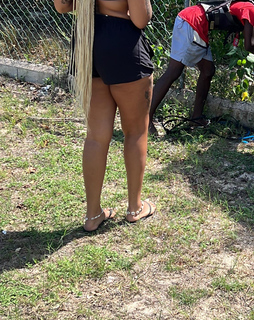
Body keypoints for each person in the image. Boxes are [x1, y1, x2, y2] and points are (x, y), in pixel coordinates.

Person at [54, 0, 156, 231]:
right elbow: (141, 19)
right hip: (122, 43)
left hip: (87, 41)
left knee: (95, 137)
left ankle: (92, 215)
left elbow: (62, 6)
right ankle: (134, 208)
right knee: (136, 131)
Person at [148, 0, 254, 135]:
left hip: (196, 23)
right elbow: (249, 45)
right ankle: (146, 120)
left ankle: (196, 118)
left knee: (208, 71)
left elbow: (251, 37)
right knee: (174, 71)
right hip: (192, 22)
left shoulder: (248, 6)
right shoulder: (252, 10)